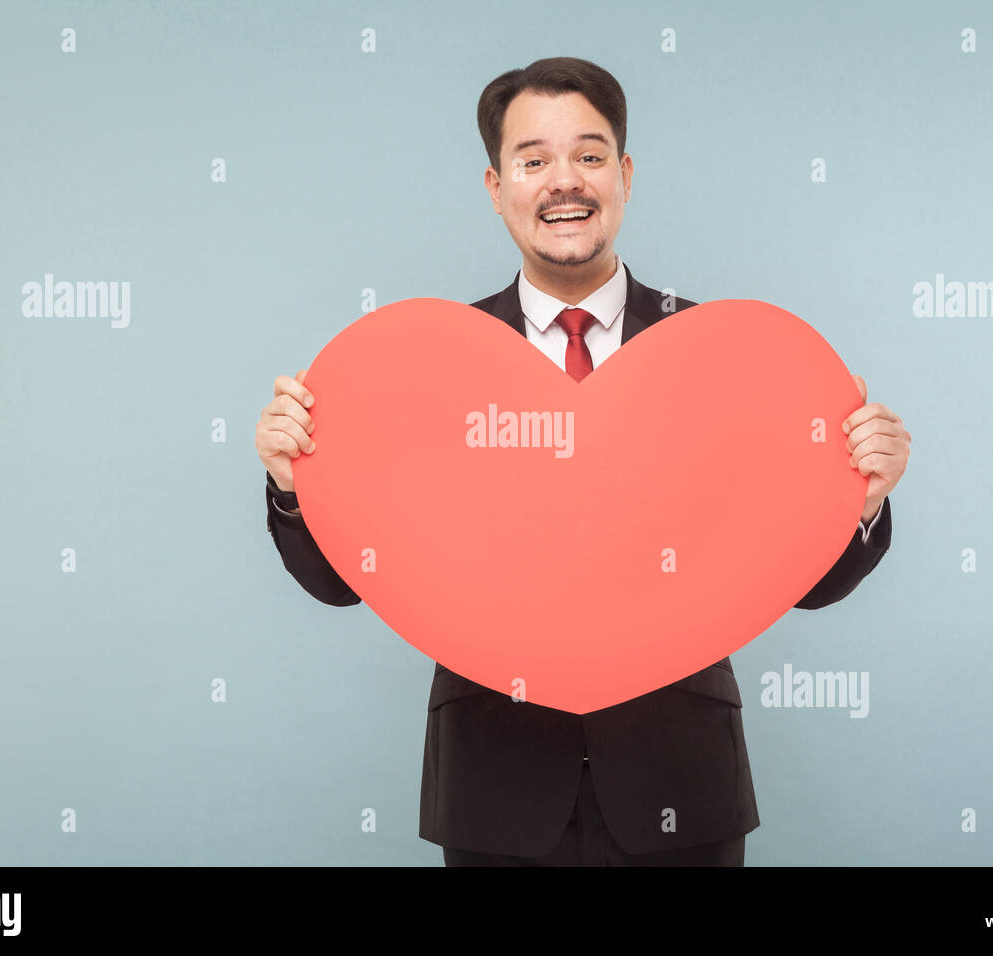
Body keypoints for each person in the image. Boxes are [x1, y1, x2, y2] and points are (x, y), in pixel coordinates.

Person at [255, 57, 912, 866]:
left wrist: (861, 498)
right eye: (533, 161)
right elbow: (341, 581)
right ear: (496, 187)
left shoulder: (717, 356)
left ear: (625, 175)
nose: (564, 182)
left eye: (590, 156)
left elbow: (803, 584)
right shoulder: (426, 367)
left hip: (682, 784)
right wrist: (296, 486)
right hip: (495, 790)